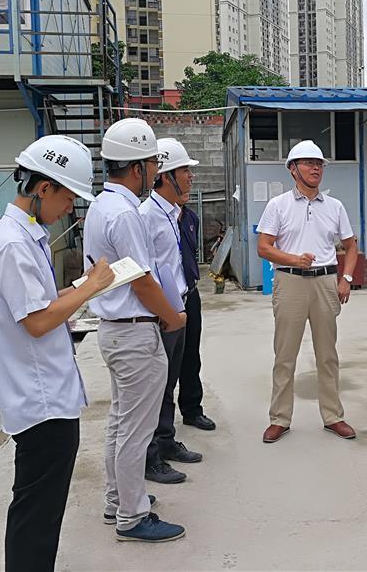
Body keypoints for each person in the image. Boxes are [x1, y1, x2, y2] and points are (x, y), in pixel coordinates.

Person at [0, 135, 114, 571]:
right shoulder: (13, 244)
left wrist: (80, 287)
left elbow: (38, 302)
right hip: (39, 402)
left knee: (41, 510)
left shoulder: (27, 236)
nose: (70, 209)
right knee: (36, 513)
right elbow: (38, 321)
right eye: (68, 198)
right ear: (43, 188)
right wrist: (91, 288)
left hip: (48, 394)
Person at [83, 118, 187, 543]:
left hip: (115, 328)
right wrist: (172, 316)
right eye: (153, 164)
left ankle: (118, 500)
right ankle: (132, 515)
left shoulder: (100, 206)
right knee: (136, 429)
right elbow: (142, 280)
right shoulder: (126, 213)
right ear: (139, 167)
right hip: (134, 330)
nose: (155, 172)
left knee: (120, 422)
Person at [256, 140, 359, 443]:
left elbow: (351, 246)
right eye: (309, 163)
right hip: (290, 281)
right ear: (292, 169)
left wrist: (346, 278)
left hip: (326, 282)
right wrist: (293, 259)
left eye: (319, 164)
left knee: (327, 354)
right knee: (285, 354)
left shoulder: (334, 206)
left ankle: (333, 416)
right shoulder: (278, 205)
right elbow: (264, 247)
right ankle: (279, 418)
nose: (316, 168)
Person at [139, 138, 204, 484]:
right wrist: (165, 313)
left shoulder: (177, 214)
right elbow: (145, 274)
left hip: (181, 302)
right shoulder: (146, 217)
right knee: (156, 386)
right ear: (164, 176)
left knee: (172, 377)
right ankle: (150, 456)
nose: (191, 177)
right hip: (162, 311)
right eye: (184, 171)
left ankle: (165, 441)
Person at [176, 189, 215, 431]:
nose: (188, 188)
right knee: (167, 359)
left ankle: (192, 409)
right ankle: (161, 420)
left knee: (191, 354)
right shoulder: (149, 216)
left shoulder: (191, 218)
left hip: (190, 292)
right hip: (166, 296)